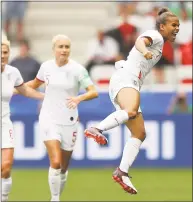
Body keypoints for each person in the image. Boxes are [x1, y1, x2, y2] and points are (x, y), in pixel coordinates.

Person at [84, 7, 180, 194]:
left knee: (139, 133)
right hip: (127, 79)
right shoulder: (156, 36)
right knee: (131, 110)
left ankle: (122, 171)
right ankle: (97, 129)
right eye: (173, 25)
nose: (177, 28)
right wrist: (144, 51)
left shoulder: (161, 42)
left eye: (178, 25)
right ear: (162, 26)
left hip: (125, 80)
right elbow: (139, 42)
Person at [25, 34, 98, 201]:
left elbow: (93, 91)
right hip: (48, 117)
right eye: (61, 47)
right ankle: (55, 198)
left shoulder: (78, 70)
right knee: (56, 162)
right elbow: (34, 84)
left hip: (70, 121)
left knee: (63, 168)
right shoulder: (46, 67)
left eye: (67, 47)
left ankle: (57, 194)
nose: (64, 50)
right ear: (54, 50)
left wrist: (79, 98)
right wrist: (14, 88)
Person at [1, 35, 44, 202]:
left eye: (5, 52)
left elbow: (26, 91)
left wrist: (44, 97)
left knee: (6, 167)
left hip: (4, 123)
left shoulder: (13, 73)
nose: (3, 55)